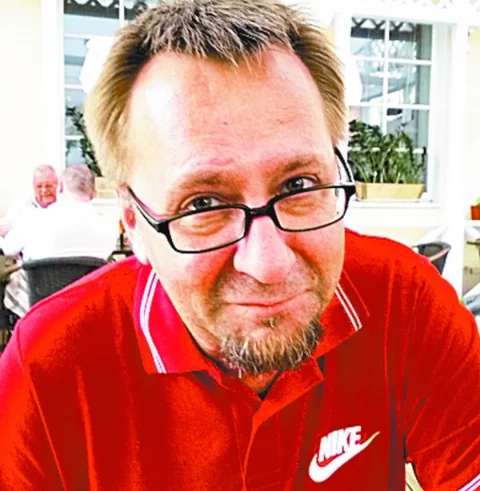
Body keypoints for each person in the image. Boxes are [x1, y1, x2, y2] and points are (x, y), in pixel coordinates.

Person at [0, 1, 479, 490]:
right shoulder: (49, 368)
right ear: (133, 222)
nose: (268, 264)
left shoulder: (400, 299)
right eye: (203, 204)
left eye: (298, 185)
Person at [0, 165, 117, 316]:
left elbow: (8, 249)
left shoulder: (33, 218)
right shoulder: (109, 226)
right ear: (94, 194)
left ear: (60, 187)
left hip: (40, 306)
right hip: (85, 306)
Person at [0, 164, 58, 238]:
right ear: (33, 185)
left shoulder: (65, 207)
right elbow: (3, 231)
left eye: (48, 185)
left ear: (57, 184)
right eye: (39, 186)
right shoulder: (20, 207)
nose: (44, 190)